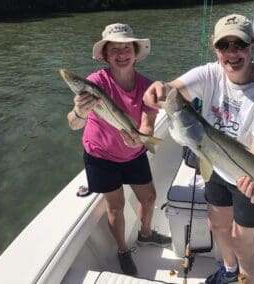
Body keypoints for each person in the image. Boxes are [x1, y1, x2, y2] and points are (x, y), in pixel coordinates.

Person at [143, 14, 254, 284]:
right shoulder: (209, 73)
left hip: (253, 176)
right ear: (215, 49)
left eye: (240, 45)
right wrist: (159, 88)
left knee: (243, 245)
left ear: (252, 45)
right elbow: (173, 91)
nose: (232, 53)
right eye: (224, 46)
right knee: (218, 226)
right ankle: (230, 271)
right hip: (216, 163)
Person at [67, 23, 171, 276]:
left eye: (127, 48)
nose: (122, 54)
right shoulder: (94, 83)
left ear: (135, 52)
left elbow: (146, 124)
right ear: (105, 55)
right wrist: (80, 111)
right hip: (100, 156)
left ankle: (145, 235)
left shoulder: (147, 87)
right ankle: (123, 250)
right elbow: (73, 124)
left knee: (149, 198)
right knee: (116, 206)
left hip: (133, 154)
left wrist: (142, 138)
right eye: (115, 50)